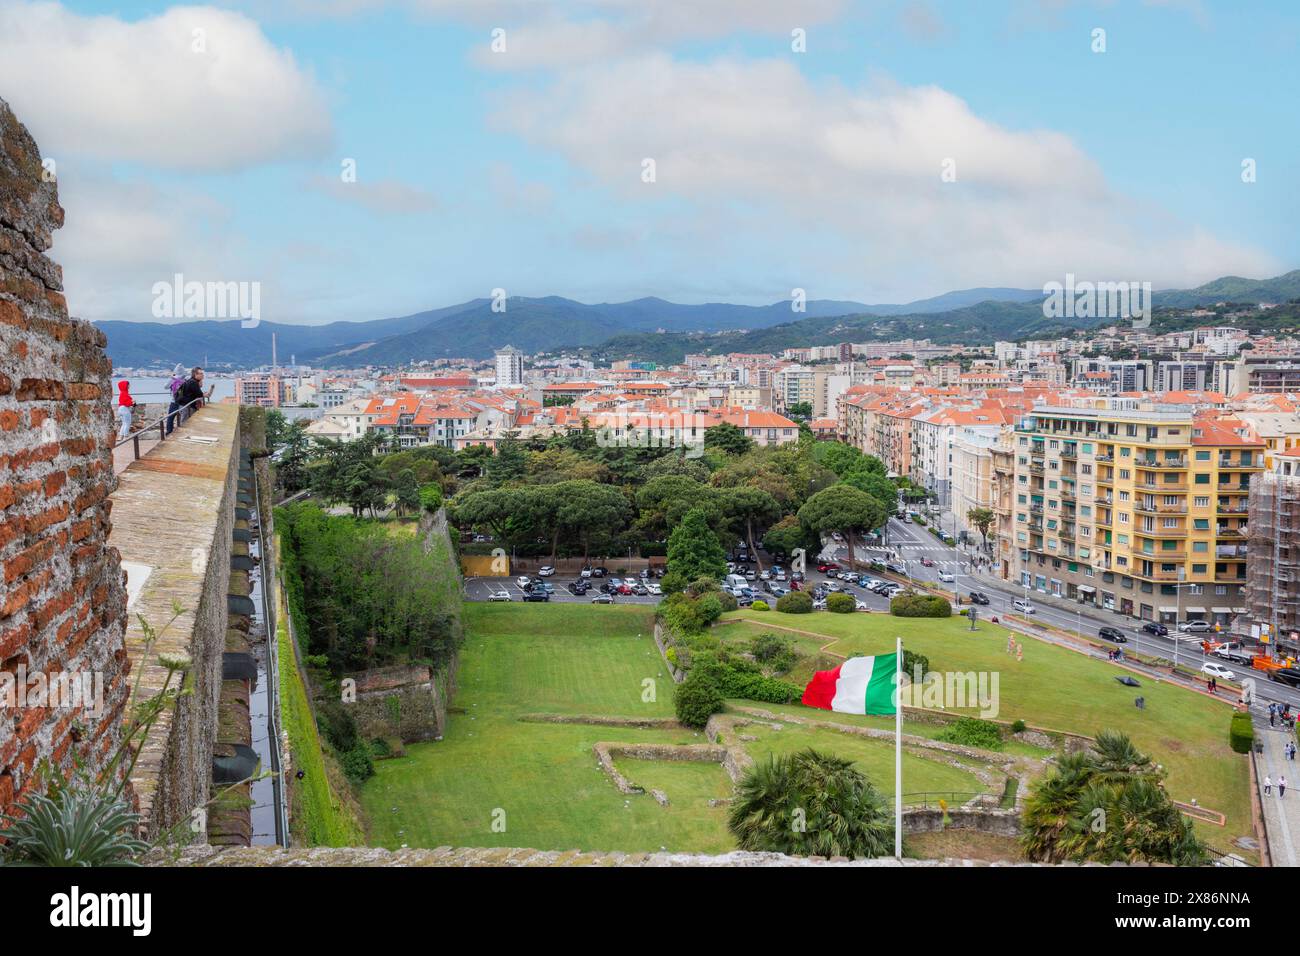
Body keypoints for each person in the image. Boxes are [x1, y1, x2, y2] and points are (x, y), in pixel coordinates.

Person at [165, 363, 185, 436]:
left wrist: (171, 377)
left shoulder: (173, 379)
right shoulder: (186, 378)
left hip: (174, 401)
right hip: (183, 402)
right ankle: (183, 433)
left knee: (170, 417)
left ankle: (169, 432)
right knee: (184, 418)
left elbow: (166, 387)